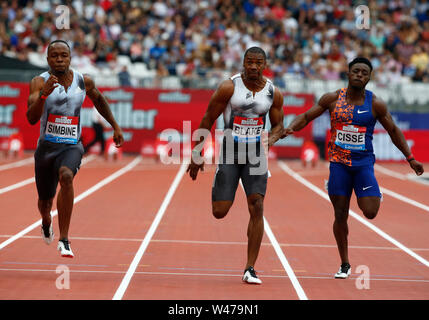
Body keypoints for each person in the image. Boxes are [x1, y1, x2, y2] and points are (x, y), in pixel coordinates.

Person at [282, 57, 424, 279]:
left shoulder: (375, 103)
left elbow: (394, 131)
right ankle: (344, 263)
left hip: (363, 164)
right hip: (338, 164)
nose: (359, 75)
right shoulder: (332, 99)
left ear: (369, 78)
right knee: (340, 214)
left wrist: (410, 157)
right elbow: (307, 116)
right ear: (348, 74)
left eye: (364, 73)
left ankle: (373, 191)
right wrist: (290, 128)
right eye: (355, 71)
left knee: (370, 211)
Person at [187, 47, 284, 284]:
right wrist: (197, 152)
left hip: (256, 155)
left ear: (264, 64)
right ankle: (219, 184)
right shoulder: (229, 87)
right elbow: (208, 118)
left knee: (257, 205)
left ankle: (250, 268)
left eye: (258, 62)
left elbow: (279, 125)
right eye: (249, 62)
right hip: (230, 151)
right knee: (219, 212)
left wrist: (270, 139)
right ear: (243, 62)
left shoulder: (273, 92)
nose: (253, 66)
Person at [26, 40, 124, 258]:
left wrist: (115, 126)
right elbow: (31, 118)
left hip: (71, 145)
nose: (59, 59)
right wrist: (44, 94)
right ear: (48, 59)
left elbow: (99, 100)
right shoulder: (37, 82)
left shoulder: (83, 81)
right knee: (45, 202)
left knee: (67, 176)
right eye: (55, 56)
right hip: (46, 148)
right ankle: (46, 220)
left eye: (64, 55)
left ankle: (64, 239)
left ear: (70, 58)